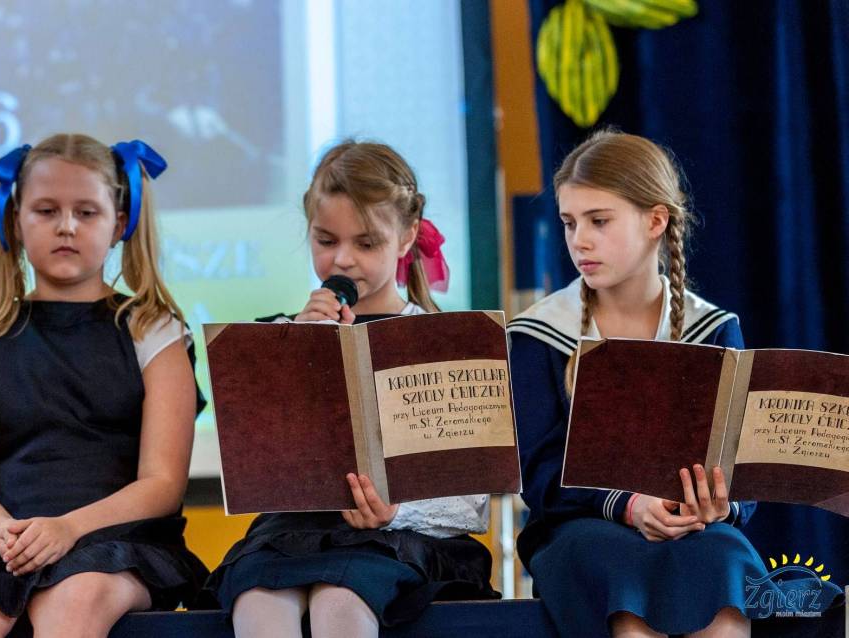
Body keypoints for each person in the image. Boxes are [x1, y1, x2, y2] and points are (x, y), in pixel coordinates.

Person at [0, 134, 208, 636]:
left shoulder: (155, 332)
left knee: (76, 598)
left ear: (119, 224)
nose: (66, 226)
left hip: (118, 538)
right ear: (14, 221)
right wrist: (5, 530)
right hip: (4, 536)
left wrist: (68, 527)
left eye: (86, 212)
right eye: (46, 210)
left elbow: (163, 485)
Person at [203, 140, 496, 637]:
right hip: (293, 534)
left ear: (406, 237)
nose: (342, 259)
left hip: (402, 539)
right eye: (325, 240)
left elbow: (471, 504)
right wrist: (297, 349)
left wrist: (395, 511)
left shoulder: (443, 340)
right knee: (257, 601)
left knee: (340, 598)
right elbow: (258, 459)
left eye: (366, 243)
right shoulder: (288, 331)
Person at [508, 130, 766, 637]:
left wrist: (717, 502)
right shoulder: (539, 332)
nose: (579, 240)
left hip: (690, 528)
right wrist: (628, 505)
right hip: (579, 529)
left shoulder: (712, 329)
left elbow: (742, 466)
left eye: (599, 221)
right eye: (569, 222)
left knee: (726, 564)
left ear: (655, 221)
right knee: (622, 587)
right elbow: (539, 474)